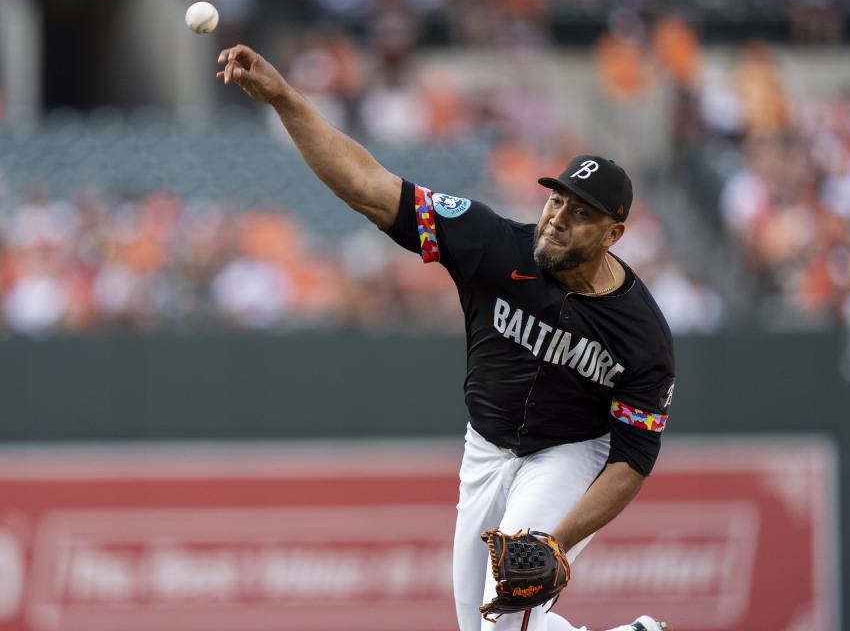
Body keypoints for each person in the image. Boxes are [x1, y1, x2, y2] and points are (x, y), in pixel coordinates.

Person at [217, 44, 674, 631]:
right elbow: (366, 186)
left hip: (569, 453)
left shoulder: (642, 334)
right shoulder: (493, 243)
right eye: (556, 199)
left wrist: (557, 543)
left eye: (580, 212)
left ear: (614, 233)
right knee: (483, 626)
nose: (558, 216)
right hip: (485, 446)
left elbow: (632, 461)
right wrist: (286, 99)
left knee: (506, 617)